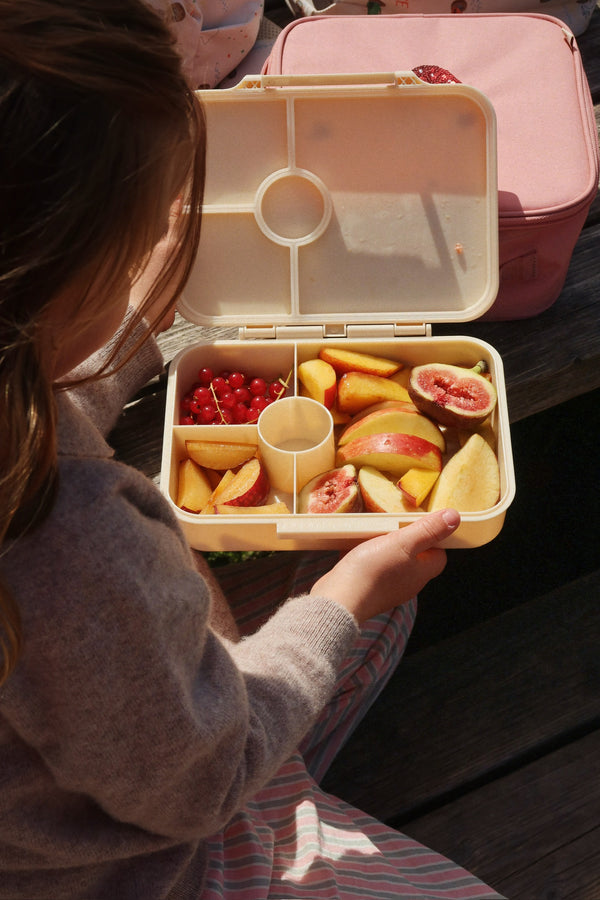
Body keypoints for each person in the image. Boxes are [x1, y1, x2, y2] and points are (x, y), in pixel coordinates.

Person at [0, 2, 505, 898]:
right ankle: (289, 800)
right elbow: (199, 783)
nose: (143, 265)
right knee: (367, 595)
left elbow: (51, 393)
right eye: (128, 251)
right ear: (55, 265)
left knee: (374, 600)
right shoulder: (72, 534)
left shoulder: (23, 408)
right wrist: (340, 596)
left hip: (97, 762)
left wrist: (130, 327)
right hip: (152, 864)